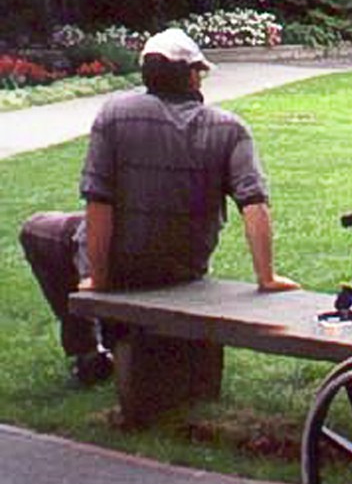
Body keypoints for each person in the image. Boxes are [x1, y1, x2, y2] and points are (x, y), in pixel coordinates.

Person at [18, 28, 298, 385]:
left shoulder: (114, 116)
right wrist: (267, 277)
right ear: (192, 75)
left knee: (38, 229)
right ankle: (103, 343)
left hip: (121, 264)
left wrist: (99, 278)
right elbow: (254, 204)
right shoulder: (231, 129)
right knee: (66, 229)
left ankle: (88, 352)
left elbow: (98, 201)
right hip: (184, 264)